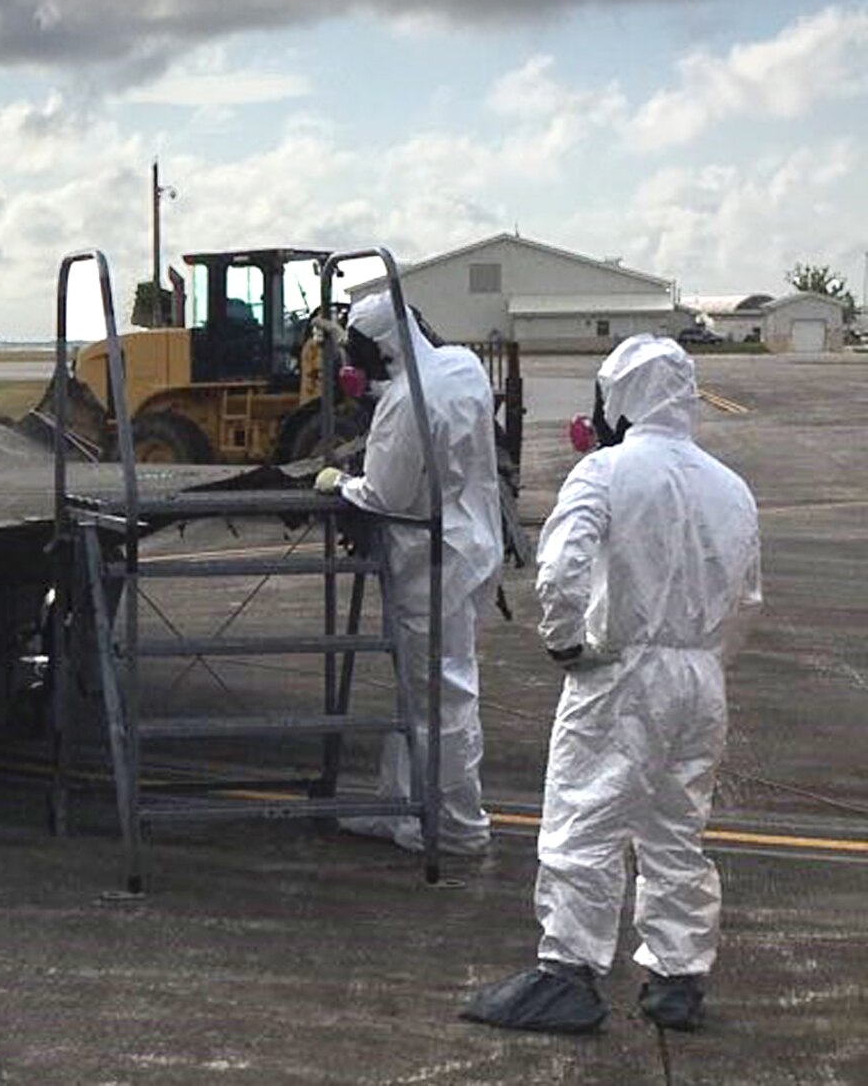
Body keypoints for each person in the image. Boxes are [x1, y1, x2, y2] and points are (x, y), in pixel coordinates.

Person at [464, 335, 761, 1035]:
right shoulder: (731, 485)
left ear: (620, 398)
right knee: (676, 829)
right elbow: (748, 600)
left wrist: (567, 639)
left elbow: (561, 565)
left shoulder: (606, 471)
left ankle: (568, 970)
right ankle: (678, 976)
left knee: (584, 816)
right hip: (700, 676)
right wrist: (707, 664)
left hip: (623, 669)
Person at [314, 291, 503, 856]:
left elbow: (384, 492)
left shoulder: (404, 402)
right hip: (469, 544)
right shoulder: (462, 368)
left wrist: (340, 483)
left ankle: (454, 826)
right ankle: (401, 809)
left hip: (429, 562)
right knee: (422, 693)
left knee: (439, 696)